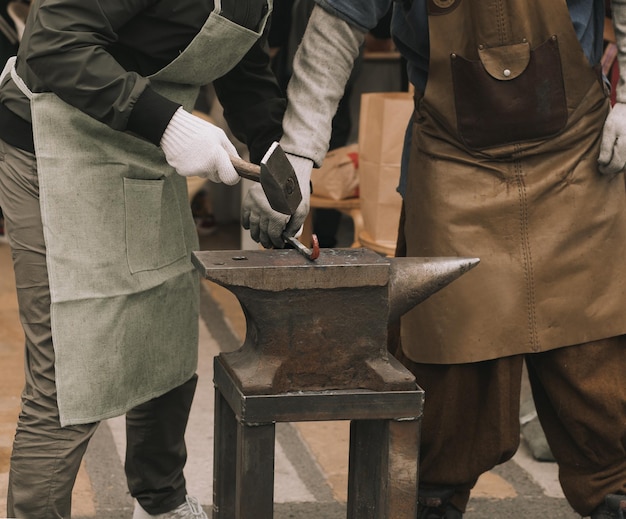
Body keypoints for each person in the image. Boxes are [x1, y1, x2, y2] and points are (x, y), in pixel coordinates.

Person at [241, 1, 626, 518]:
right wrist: (302, 153)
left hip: (576, 157)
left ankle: (614, 494)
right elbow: (336, 27)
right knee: (448, 357)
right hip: (455, 161)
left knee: (597, 357)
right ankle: (433, 500)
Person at [0, 1, 299, 518]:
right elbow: (53, 43)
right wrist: (169, 125)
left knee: (166, 335)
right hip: (53, 148)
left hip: (139, 147)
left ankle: (161, 502)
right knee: (69, 372)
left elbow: (242, 59)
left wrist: (278, 156)